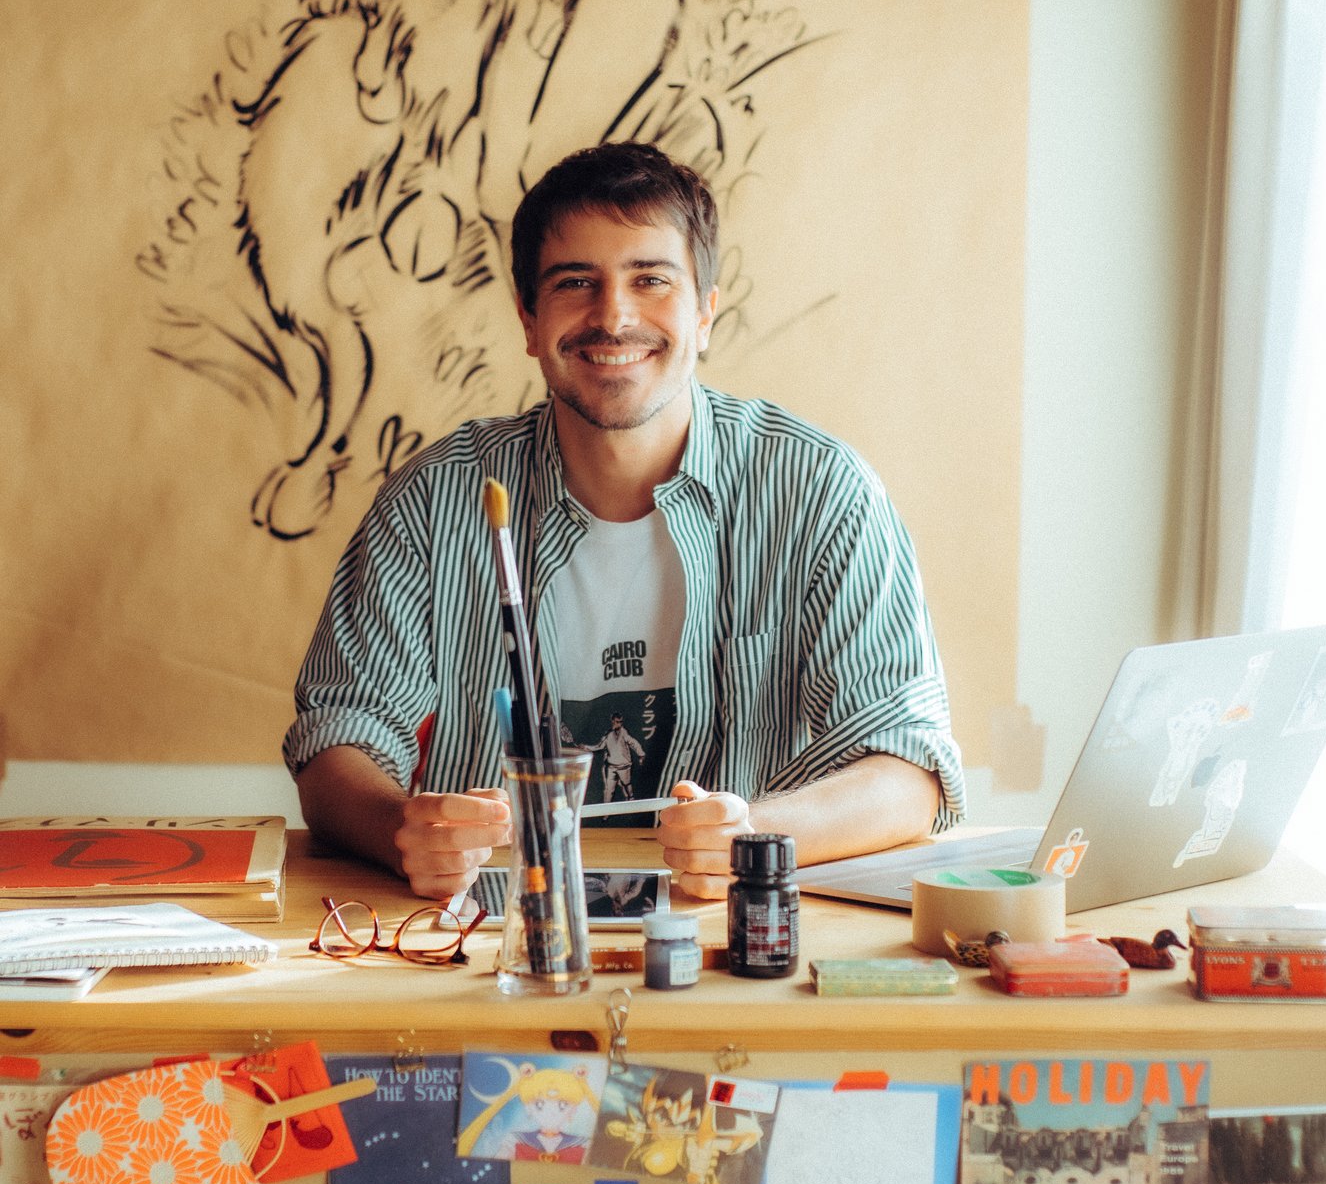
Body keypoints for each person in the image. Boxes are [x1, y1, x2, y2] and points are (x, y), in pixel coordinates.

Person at [284, 141, 965, 899]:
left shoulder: (822, 491)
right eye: (576, 282)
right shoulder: (436, 498)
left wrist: (758, 835)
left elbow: (910, 770)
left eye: (651, 280)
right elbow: (336, 738)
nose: (613, 315)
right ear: (529, 318)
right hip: (487, 960)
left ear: (705, 312)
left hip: (725, 960)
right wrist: (400, 829)